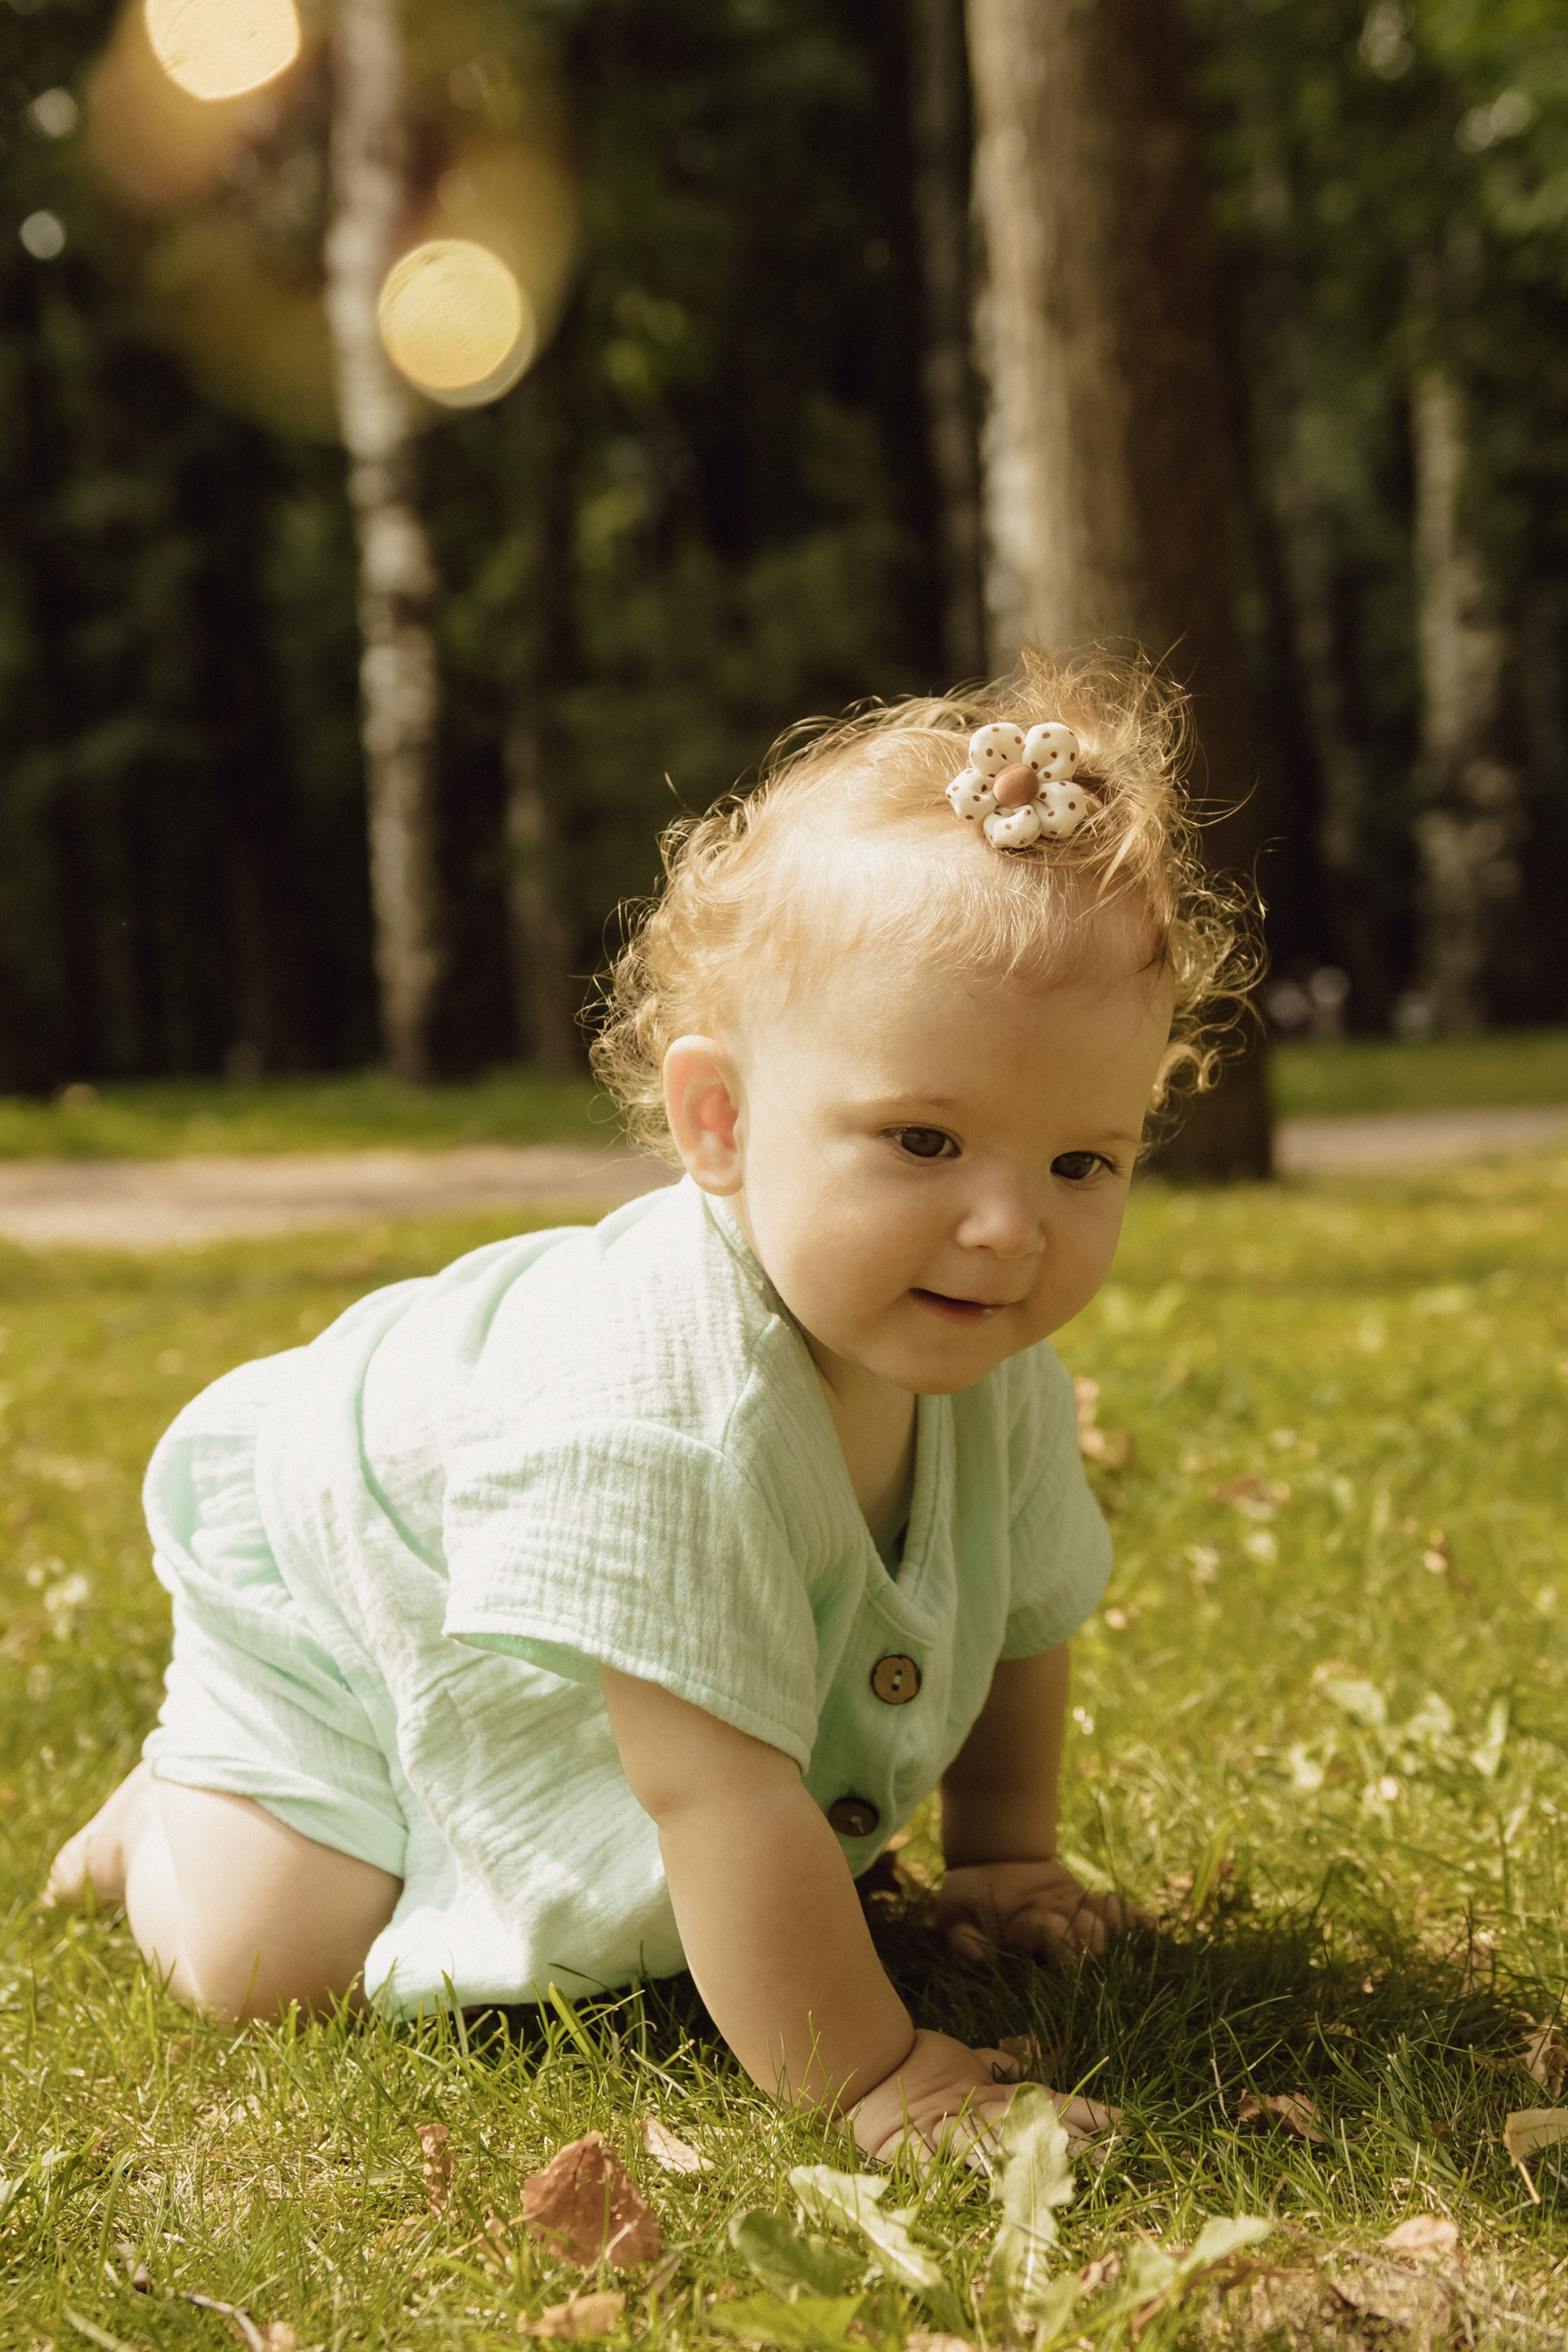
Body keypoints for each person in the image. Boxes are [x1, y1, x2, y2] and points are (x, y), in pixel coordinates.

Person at [46, 650, 1255, 2165]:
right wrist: (873, 2075)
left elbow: (1021, 1615)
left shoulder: (984, 1358)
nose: (1009, 1228)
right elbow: (714, 1785)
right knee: (270, 1967)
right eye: (926, 1139)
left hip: (560, 1578)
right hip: (351, 1601)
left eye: (1082, 1162)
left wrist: (1004, 1858)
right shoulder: (661, 1418)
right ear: (720, 1122)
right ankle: (169, 1811)